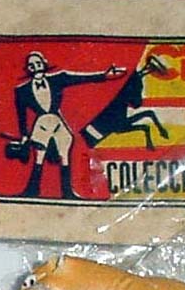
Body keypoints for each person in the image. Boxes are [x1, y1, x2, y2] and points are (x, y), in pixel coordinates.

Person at [12, 51, 124, 198]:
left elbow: (79, 78)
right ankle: (32, 191)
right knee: (39, 156)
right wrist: (24, 136)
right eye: (31, 66)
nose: (36, 67)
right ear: (28, 69)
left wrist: (104, 75)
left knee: (65, 154)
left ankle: (67, 192)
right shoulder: (22, 90)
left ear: (44, 64)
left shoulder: (58, 78)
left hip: (58, 122)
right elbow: (21, 115)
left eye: (38, 64)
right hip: (41, 124)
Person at [80, 54, 171, 151]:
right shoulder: (135, 80)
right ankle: (157, 133)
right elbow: (136, 103)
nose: (149, 69)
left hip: (107, 114)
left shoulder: (132, 76)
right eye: (152, 68)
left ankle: (154, 134)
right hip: (112, 117)